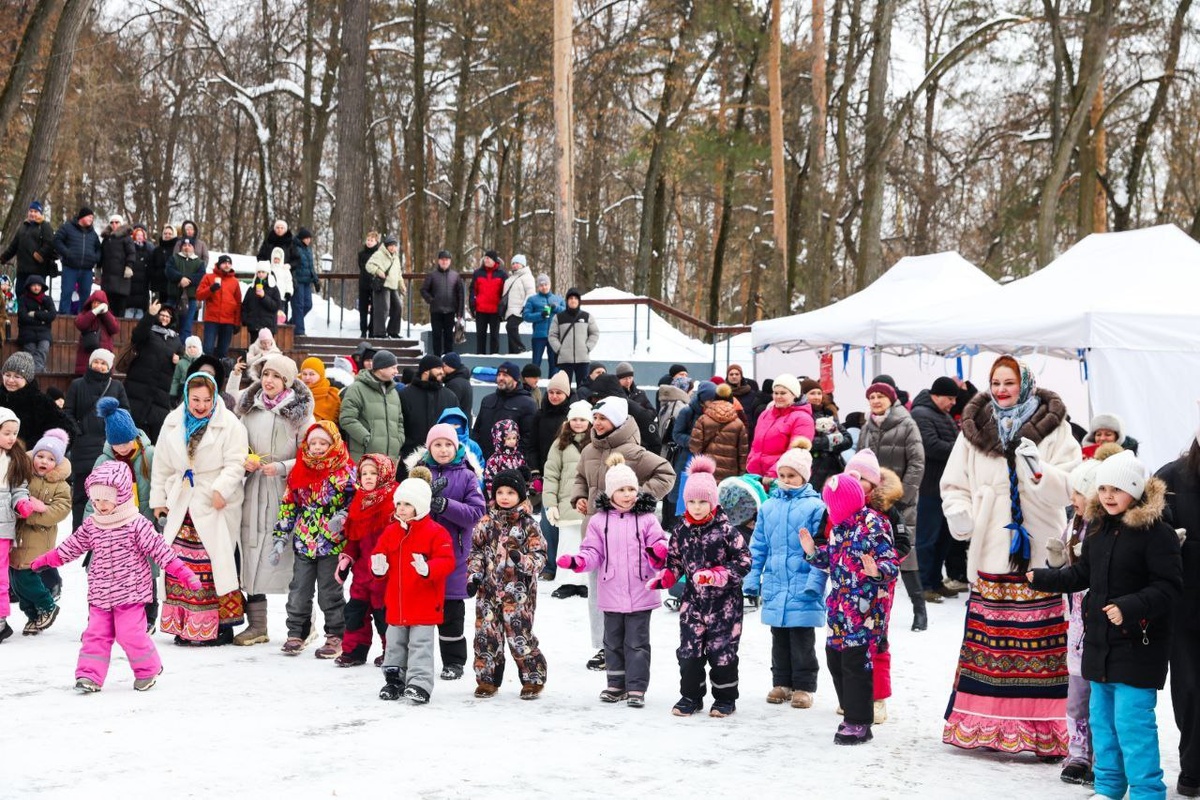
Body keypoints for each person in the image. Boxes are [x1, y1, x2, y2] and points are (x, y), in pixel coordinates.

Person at [939, 354, 1082, 758]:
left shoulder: (1055, 428)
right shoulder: (973, 430)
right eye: (996, 382)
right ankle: (988, 725)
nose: (1001, 390)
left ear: (1026, 384)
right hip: (991, 549)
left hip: (1041, 551)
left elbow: (1073, 488)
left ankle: (1045, 730)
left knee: (1042, 646)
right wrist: (960, 514)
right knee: (992, 646)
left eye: (1009, 382)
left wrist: (1039, 470)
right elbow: (954, 485)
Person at [1030, 451, 1181, 800]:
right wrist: (1043, 578)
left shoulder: (1157, 534)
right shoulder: (1098, 531)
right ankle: (1109, 788)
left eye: (1117, 489)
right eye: (1103, 489)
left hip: (1138, 647)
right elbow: (1083, 574)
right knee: (1103, 724)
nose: (1108, 496)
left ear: (1136, 490)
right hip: (1099, 646)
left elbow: (1169, 587)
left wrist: (1129, 607)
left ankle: (1146, 792)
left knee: (1133, 726)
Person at [31, 461, 202, 692]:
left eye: (106, 499)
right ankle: (89, 676)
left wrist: (185, 574)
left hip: (131, 593)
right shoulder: (93, 525)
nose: (100, 505)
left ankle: (148, 669)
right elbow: (71, 547)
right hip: (100, 593)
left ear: (120, 497)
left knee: (129, 634)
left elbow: (161, 551)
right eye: (96, 500)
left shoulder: (136, 524)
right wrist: (46, 560)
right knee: (95, 635)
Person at [572, 395, 675, 670]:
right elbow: (580, 476)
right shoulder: (589, 450)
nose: (597, 423)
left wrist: (640, 497)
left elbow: (666, 473)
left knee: (626, 594)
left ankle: (628, 644)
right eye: (595, 418)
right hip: (596, 534)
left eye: (603, 418)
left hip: (628, 537)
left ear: (617, 421)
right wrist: (579, 497)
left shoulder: (633, 452)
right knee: (598, 594)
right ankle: (604, 646)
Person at [557, 453, 667, 708]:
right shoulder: (599, 521)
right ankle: (616, 684)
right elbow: (592, 552)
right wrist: (577, 562)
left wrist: (659, 552)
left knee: (637, 643)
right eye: (621, 490)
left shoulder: (647, 519)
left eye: (631, 489)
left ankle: (636, 687)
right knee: (613, 642)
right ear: (610, 493)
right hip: (611, 592)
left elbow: (659, 546)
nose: (628, 495)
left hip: (641, 591)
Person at [800, 473, 900, 745]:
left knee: (856, 662)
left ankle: (859, 722)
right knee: (835, 657)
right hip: (839, 607)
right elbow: (833, 561)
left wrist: (877, 571)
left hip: (866, 609)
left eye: (832, 505)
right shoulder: (839, 529)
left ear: (845, 503)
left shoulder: (874, 524)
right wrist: (812, 552)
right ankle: (851, 710)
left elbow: (891, 562)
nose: (829, 510)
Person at [647, 456, 750, 718]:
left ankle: (725, 699)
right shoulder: (681, 530)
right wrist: (667, 577)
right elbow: (675, 561)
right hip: (692, 603)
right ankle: (691, 696)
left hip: (725, 606)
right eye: (691, 501)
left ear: (713, 501)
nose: (696, 507)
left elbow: (744, 561)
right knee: (689, 651)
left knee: (722, 652)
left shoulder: (727, 531)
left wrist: (717, 575)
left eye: (702, 502)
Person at [151, 372, 249, 646]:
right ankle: (184, 624)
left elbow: (236, 461)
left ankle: (218, 628)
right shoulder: (173, 421)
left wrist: (222, 489)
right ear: (186, 396)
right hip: (181, 500)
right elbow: (161, 464)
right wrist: (158, 500)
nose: (201, 405)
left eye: (207, 400)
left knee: (213, 564)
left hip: (212, 500)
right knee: (179, 563)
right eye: (196, 399)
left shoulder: (229, 424)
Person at [231, 354, 314, 647]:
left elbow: (312, 454)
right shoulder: (249, 409)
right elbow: (236, 445)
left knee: (291, 559)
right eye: (266, 374)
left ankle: (303, 624)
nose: (269, 380)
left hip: (286, 492)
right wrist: (245, 460)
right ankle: (257, 625)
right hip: (253, 489)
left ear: (287, 381)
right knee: (252, 556)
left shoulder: (301, 415)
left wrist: (281, 467)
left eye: (276, 376)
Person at [743, 447, 827, 710]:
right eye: (782, 475)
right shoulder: (769, 507)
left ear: (804, 476)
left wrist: (815, 584)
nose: (786, 480)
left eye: (792, 475)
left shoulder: (816, 507)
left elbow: (821, 548)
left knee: (802, 638)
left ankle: (804, 686)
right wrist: (752, 579)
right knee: (778, 636)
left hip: (803, 584)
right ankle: (781, 682)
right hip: (776, 583)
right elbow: (758, 546)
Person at [403, 425, 486, 680]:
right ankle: (417, 660)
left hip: (454, 556)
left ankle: (454, 661)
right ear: (429, 448)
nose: (443, 449)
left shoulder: (467, 476)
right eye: (437, 445)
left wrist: (445, 505)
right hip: (421, 554)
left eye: (448, 444)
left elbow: (476, 512)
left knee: (451, 612)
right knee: (420, 613)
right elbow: (403, 509)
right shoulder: (418, 474)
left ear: (457, 447)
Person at [270, 421, 356, 657]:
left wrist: (344, 516)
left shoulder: (345, 471)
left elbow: (356, 502)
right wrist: (280, 537)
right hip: (304, 541)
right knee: (299, 590)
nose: (317, 447)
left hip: (332, 543)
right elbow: (289, 505)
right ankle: (297, 632)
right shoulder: (300, 469)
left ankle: (336, 634)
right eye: (313, 443)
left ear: (333, 444)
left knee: (330, 592)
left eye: (323, 443)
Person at [373, 471, 455, 704]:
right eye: (398, 503)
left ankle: (419, 683)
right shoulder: (391, 532)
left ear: (420, 506)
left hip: (424, 602)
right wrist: (378, 568)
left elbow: (447, 560)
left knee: (420, 645)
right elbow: (379, 554)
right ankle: (394, 680)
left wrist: (428, 568)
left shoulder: (436, 532)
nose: (401, 508)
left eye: (407, 504)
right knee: (395, 643)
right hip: (397, 602)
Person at [466, 469, 548, 699]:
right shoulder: (485, 522)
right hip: (488, 591)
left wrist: (521, 560)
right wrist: (474, 576)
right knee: (486, 636)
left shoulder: (529, 525)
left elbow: (540, 557)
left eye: (510, 492)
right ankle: (487, 680)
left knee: (520, 636)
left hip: (518, 594)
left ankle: (532, 679)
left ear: (520, 495)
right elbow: (476, 552)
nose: (504, 497)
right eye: (500, 492)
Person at [1049, 457, 1105, 786]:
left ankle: (1102, 756)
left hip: (1102, 619)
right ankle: (1078, 752)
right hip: (1077, 623)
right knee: (1078, 694)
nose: (1073, 499)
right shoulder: (1074, 523)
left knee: (1101, 694)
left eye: (1079, 493)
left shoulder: (1107, 528)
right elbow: (1066, 568)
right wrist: (1056, 560)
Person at [843, 448, 908, 721]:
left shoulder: (888, 510)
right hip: (847, 586)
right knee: (848, 640)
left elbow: (903, 544)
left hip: (879, 587)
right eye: (851, 476)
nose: (856, 483)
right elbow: (827, 539)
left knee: (877, 640)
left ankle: (878, 697)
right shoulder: (841, 507)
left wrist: (880, 568)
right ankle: (853, 696)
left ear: (873, 482)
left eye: (861, 478)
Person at [857, 380, 927, 628]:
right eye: (872, 397)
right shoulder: (867, 426)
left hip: (900, 501)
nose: (876, 401)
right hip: (871, 501)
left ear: (891, 399)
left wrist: (902, 496)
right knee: (870, 553)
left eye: (880, 396)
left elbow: (917, 463)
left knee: (905, 552)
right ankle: (869, 611)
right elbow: (858, 462)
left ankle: (919, 610)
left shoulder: (907, 424)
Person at [1155, 430, 1200, 797]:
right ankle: (1194, 768)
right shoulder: (1171, 477)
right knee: (1190, 687)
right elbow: (1146, 530)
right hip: (1186, 602)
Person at [92, 397, 161, 628]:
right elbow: (94, 496)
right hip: (113, 525)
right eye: (116, 443)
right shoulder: (104, 461)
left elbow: (160, 485)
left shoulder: (150, 456)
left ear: (134, 435)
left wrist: (159, 512)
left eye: (126, 441)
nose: (122, 447)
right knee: (113, 571)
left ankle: (149, 615)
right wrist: (90, 523)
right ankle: (106, 617)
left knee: (146, 568)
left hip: (144, 522)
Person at [336, 454, 397, 667]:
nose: (368, 477)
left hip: (386, 573)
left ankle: (392, 652)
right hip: (362, 573)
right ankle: (354, 651)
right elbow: (354, 537)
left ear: (385, 474)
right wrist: (347, 558)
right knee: (355, 612)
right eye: (364, 473)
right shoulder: (360, 500)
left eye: (374, 473)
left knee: (384, 614)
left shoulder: (395, 500)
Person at [11, 428, 70, 636]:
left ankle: (47, 605)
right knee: (16, 582)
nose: (44, 461)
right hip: (18, 535)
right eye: (40, 456)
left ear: (57, 463)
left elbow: (62, 509)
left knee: (26, 576)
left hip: (39, 537)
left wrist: (41, 509)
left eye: (51, 459)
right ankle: (33, 615)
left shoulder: (60, 485)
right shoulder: (24, 475)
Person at [910, 376, 965, 599]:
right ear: (937, 395)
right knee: (927, 539)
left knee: (944, 539)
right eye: (950, 398)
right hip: (929, 487)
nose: (953, 403)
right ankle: (923, 584)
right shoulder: (921, 414)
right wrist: (961, 449)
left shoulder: (942, 415)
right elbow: (931, 446)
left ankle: (935, 581)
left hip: (945, 488)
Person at [64, 348, 129, 528]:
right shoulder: (77, 385)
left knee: (107, 495)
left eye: (103, 363)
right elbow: (68, 412)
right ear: (90, 363)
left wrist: (113, 431)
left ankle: (105, 532)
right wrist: (78, 432)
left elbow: (125, 412)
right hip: (83, 447)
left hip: (108, 447)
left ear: (109, 367)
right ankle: (79, 532)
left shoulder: (116, 386)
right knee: (81, 495)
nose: (99, 366)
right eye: (96, 362)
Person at [541, 400, 591, 583]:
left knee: (587, 544)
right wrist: (550, 504)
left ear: (589, 422)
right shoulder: (559, 444)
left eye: (582, 419)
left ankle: (584, 582)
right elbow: (551, 475)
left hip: (589, 502)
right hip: (566, 502)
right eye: (574, 419)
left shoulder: (597, 443)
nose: (578, 423)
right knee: (567, 543)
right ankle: (566, 582)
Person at [124, 300, 184, 442]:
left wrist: (178, 359)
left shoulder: (176, 340)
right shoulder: (148, 331)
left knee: (154, 435)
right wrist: (149, 315)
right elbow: (137, 335)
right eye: (162, 315)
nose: (164, 318)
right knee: (133, 431)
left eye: (168, 316)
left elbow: (182, 358)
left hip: (160, 393)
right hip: (139, 387)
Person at [339, 349, 404, 463]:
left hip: (389, 460)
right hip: (365, 459)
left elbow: (399, 421)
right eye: (393, 367)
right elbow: (347, 418)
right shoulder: (357, 388)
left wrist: (399, 440)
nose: (396, 371)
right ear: (381, 368)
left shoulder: (393, 392)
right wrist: (367, 438)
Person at [746, 373, 816, 478]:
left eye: (783, 393)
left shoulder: (802, 419)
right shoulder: (765, 414)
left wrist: (773, 474)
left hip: (783, 479)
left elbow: (795, 454)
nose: (778, 396)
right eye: (776, 393)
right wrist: (750, 464)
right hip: (757, 477)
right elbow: (755, 445)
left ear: (794, 395)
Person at [0, 352, 71, 456]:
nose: (10, 380)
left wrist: (37, 450)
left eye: (17, 376)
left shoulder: (40, 401)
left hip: (27, 461)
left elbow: (66, 430)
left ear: (27, 379)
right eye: (7, 375)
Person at [472, 361, 537, 464]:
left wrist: (513, 459)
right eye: (499, 375)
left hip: (510, 464)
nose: (500, 378)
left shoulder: (527, 403)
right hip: (484, 461)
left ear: (515, 379)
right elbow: (477, 430)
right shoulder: (487, 400)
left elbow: (529, 437)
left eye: (505, 375)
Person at [399, 355, 459, 459]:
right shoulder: (405, 395)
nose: (442, 372)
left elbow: (457, 427)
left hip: (442, 459)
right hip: (410, 458)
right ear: (426, 371)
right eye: (438, 368)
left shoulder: (450, 396)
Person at [689, 382, 748, 482]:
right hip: (730, 474)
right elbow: (743, 453)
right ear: (731, 400)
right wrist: (741, 473)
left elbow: (695, 447)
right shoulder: (739, 424)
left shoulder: (703, 419)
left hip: (707, 471)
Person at [802, 378, 851, 491]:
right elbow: (805, 442)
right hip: (812, 470)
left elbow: (848, 439)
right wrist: (830, 441)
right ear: (803, 395)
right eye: (812, 393)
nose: (817, 397)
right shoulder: (802, 416)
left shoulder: (828, 414)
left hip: (834, 468)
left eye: (819, 393)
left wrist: (830, 442)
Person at [548, 288, 600, 388]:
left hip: (583, 359)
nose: (573, 300)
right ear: (567, 301)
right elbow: (552, 335)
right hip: (565, 360)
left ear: (579, 301)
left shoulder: (587, 316)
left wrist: (587, 347)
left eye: (576, 298)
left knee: (583, 388)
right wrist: (559, 349)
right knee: (564, 388)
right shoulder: (558, 317)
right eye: (571, 298)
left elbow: (594, 333)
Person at [53, 207, 101, 314]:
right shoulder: (67, 227)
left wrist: (95, 258)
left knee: (85, 296)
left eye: (92, 217)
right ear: (82, 217)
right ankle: (64, 317)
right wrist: (67, 253)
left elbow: (99, 249)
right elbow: (57, 240)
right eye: (89, 217)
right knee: (66, 293)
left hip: (87, 270)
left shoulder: (93, 233)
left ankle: (83, 318)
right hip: (70, 268)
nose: (91, 219)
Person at [195, 254, 242, 358]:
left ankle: (220, 368)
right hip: (212, 319)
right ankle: (207, 367)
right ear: (219, 264)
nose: (227, 265)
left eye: (229, 263)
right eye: (224, 263)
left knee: (223, 351)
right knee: (208, 349)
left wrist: (237, 322)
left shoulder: (235, 281)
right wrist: (211, 289)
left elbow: (238, 303)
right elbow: (199, 295)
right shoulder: (208, 277)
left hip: (228, 321)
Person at [2, 201, 56, 290]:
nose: (32, 213)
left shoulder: (45, 226)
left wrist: (39, 255)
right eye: (31, 211)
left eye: (35, 211)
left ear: (40, 213)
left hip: (37, 272)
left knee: (34, 296)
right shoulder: (23, 227)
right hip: (22, 270)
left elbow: (50, 244)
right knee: (20, 293)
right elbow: (13, 246)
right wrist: (3, 258)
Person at [422, 249, 465, 357]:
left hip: (450, 311)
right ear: (438, 261)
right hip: (436, 311)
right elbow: (423, 290)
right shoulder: (432, 275)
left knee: (449, 336)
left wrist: (460, 313)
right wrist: (431, 299)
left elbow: (460, 295)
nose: (444, 262)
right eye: (442, 259)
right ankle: (437, 357)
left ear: (450, 261)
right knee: (436, 335)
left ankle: (448, 358)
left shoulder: (455, 276)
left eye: (446, 259)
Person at [533, 370, 575, 475]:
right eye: (551, 392)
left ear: (566, 394)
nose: (554, 396)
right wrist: (535, 470)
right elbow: (532, 445)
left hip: (567, 471)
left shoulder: (573, 415)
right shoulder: (540, 415)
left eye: (558, 393)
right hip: (544, 469)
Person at [522, 274, 564, 373]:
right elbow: (526, 316)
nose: (544, 287)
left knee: (554, 363)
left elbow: (566, 312)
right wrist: (540, 315)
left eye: (546, 284)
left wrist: (556, 308)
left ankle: (553, 381)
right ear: (538, 287)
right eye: (541, 285)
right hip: (538, 336)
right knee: (536, 362)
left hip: (554, 336)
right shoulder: (532, 299)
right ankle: (533, 379)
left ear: (550, 285)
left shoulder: (558, 299)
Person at [74, 289, 119, 376]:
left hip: (104, 361)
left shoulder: (108, 316)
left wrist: (105, 313)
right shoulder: (85, 314)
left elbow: (115, 329)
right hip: (86, 359)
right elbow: (80, 324)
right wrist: (94, 312)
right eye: (94, 302)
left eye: (99, 303)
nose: (96, 305)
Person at [166, 237, 205, 336]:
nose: (187, 247)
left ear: (193, 248)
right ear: (181, 247)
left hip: (191, 300)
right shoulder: (173, 259)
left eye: (189, 245)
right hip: (173, 298)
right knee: (169, 325)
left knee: (186, 328)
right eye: (184, 245)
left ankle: (183, 345)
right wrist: (180, 278)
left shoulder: (200, 263)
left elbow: (201, 276)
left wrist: (188, 280)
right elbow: (169, 271)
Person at [469, 250, 506, 354]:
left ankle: (494, 356)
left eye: (488, 258)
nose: (486, 260)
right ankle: (480, 356)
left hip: (495, 310)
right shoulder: (477, 273)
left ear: (494, 260)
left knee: (494, 336)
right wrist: (472, 303)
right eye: (485, 258)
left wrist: (503, 308)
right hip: (481, 309)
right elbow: (472, 289)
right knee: (480, 335)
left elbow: (505, 292)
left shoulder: (502, 274)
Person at [98, 214, 135, 317]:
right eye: (112, 222)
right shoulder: (106, 239)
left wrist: (129, 266)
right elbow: (101, 255)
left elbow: (131, 253)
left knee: (120, 307)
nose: (114, 224)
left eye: (116, 222)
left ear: (121, 224)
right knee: (108, 307)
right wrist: (98, 268)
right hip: (107, 278)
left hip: (122, 277)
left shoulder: (126, 238)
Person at [367, 235, 403, 339]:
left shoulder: (396, 257)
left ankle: (393, 331)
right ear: (386, 246)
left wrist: (401, 284)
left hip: (393, 286)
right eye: (390, 245)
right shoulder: (379, 254)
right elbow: (369, 265)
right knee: (383, 309)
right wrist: (378, 271)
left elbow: (398, 272)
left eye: (394, 245)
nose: (392, 247)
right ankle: (379, 332)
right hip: (382, 285)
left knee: (398, 307)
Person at [16, 274, 54, 372]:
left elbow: (52, 315)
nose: (36, 287)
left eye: (39, 285)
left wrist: (35, 314)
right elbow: (23, 317)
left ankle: (34, 372)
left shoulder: (47, 299)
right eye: (33, 285)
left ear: (42, 286)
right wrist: (42, 319)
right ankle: (40, 371)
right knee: (30, 351)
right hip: (27, 332)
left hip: (44, 332)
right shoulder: (23, 299)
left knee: (43, 348)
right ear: (29, 286)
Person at [502, 254, 535, 353]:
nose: (515, 265)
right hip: (510, 310)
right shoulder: (510, 279)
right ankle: (513, 352)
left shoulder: (527, 277)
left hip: (520, 309)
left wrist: (526, 306)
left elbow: (531, 293)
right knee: (510, 329)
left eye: (517, 263)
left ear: (523, 264)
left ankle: (520, 348)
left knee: (511, 327)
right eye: (513, 263)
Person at [242, 262, 282, 338]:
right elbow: (245, 306)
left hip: (268, 327)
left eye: (263, 272)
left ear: (267, 273)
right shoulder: (251, 288)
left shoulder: (273, 288)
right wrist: (246, 320)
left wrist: (264, 297)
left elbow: (276, 306)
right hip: (254, 327)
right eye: (259, 272)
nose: (261, 274)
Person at [291, 227, 318, 336]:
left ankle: (292, 323)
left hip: (307, 281)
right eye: (306, 238)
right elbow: (292, 265)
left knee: (308, 305)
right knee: (298, 305)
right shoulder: (294, 248)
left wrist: (316, 280)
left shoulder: (308, 249)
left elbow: (311, 267)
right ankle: (299, 331)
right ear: (301, 238)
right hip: (298, 281)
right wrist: (293, 279)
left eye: (309, 238)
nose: (308, 240)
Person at [298, 357, 341, 424]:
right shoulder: (294, 392)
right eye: (304, 374)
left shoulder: (333, 396)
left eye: (312, 374)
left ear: (321, 375)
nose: (307, 377)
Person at [725, 364, 762, 439]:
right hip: (728, 434)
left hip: (748, 434)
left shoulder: (751, 394)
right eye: (731, 374)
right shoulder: (723, 395)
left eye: (737, 374)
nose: (734, 376)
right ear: (727, 377)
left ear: (741, 376)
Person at [127, 224, 154, 319]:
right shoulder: (128, 247)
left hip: (143, 288)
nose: (139, 237)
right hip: (130, 287)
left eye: (141, 235)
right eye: (137, 234)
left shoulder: (149, 249)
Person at [356, 232, 381, 338]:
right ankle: (363, 330)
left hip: (374, 283)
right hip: (363, 283)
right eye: (368, 240)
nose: (369, 242)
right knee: (363, 308)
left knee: (375, 308)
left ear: (376, 242)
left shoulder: (379, 254)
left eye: (372, 240)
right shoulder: (361, 254)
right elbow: (361, 266)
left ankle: (372, 330)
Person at [440, 352, 473, 428]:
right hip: (463, 424)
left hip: (456, 426)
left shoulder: (454, 384)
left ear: (451, 366)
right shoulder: (463, 380)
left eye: (444, 366)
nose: (441, 369)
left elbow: (450, 409)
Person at [149, 224, 175, 303]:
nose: (167, 235)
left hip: (172, 285)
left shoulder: (176, 249)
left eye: (170, 234)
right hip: (158, 285)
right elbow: (151, 266)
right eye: (165, 233)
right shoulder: (156, 250)